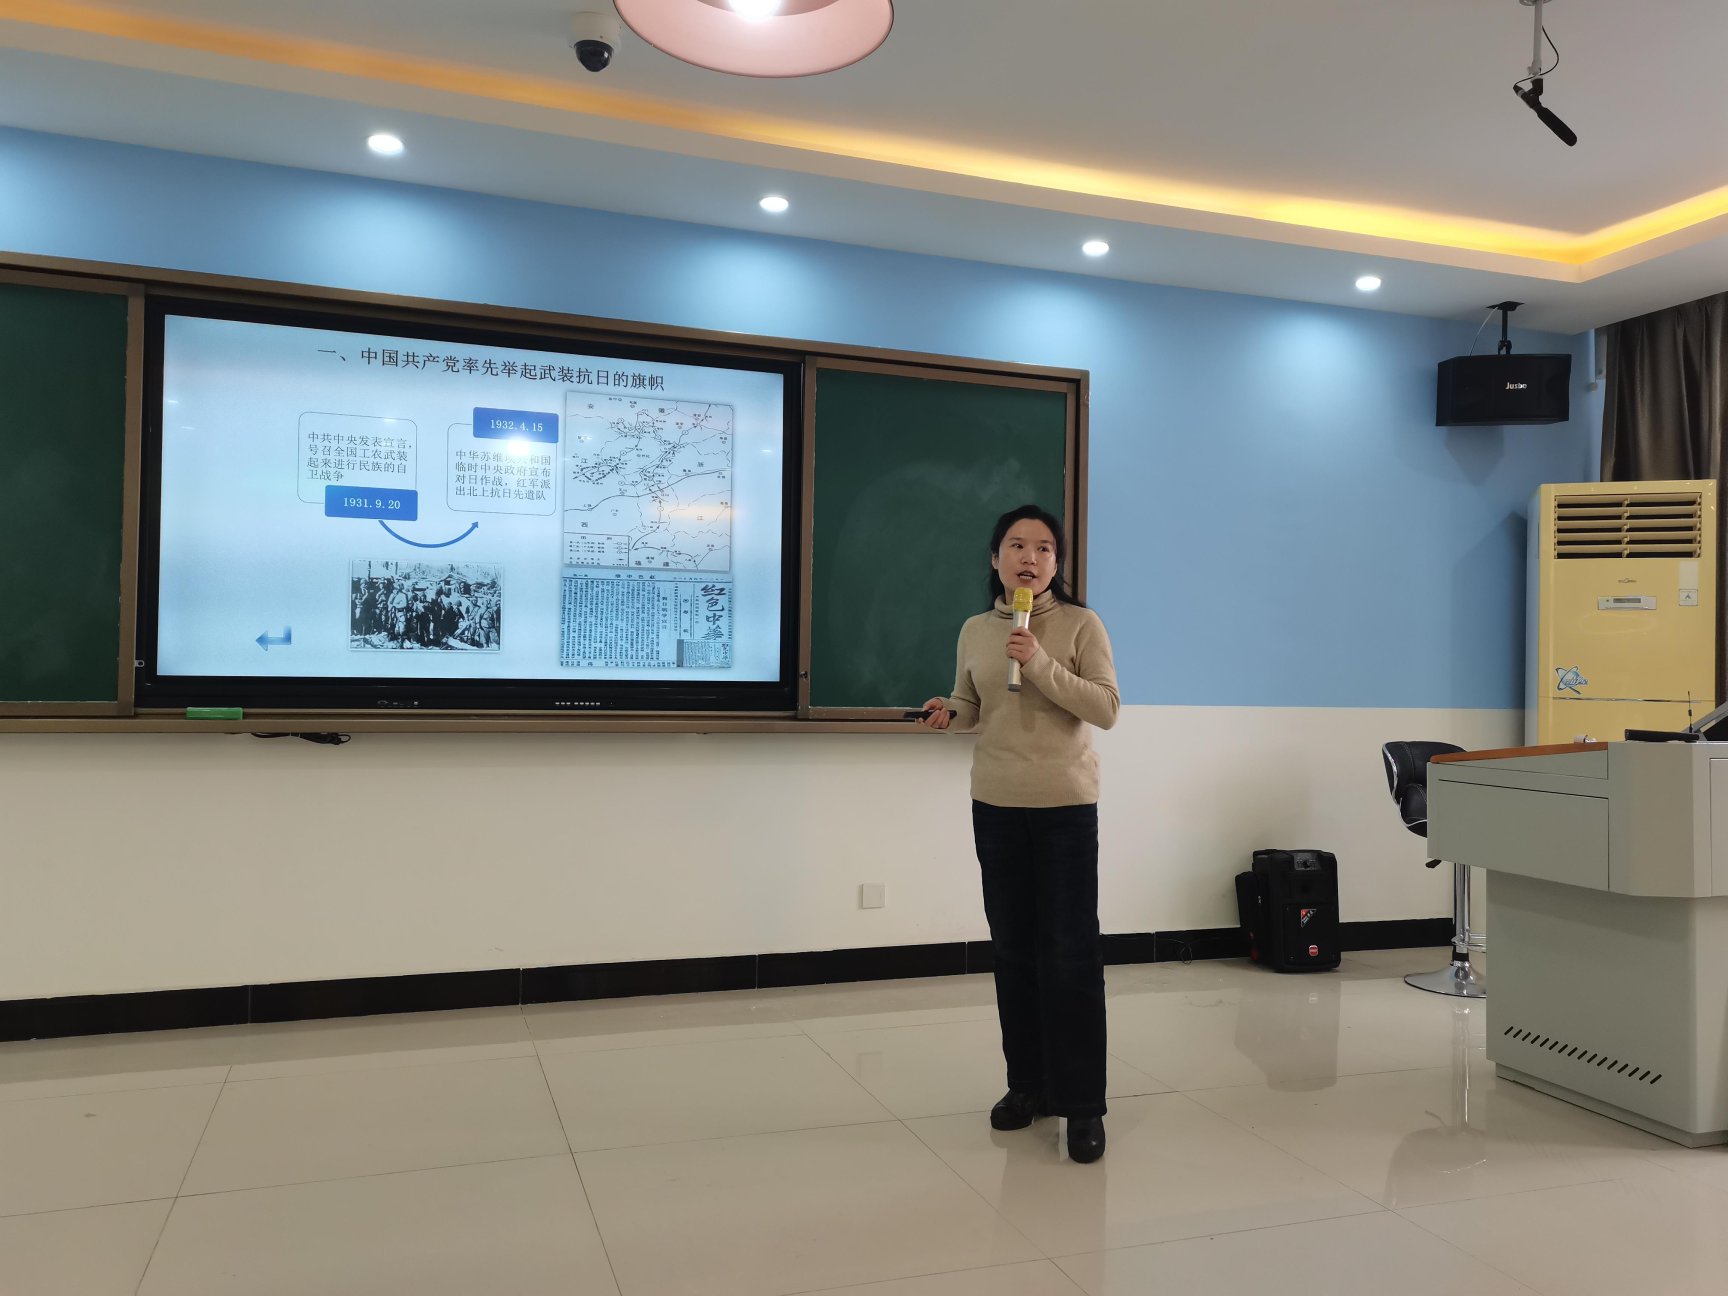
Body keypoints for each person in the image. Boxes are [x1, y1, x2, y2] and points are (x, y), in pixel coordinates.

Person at [918, 503, 1120, 1164]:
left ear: (1056, 563)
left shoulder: (1081, 625)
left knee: (1070, 955)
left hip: (1064, 807)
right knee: (1013, 952)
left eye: (1043, 548)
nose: (1029, 558)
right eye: (1016, 546)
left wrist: (1038, 664)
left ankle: (1082, 1104)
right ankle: (1027, 1085)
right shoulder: (976, 629)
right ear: (995, 559)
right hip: (997, 805)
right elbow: (973, 703)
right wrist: (949, 711)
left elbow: (1105, 708)